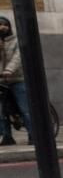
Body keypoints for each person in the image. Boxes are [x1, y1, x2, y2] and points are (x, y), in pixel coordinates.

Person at [0, 15, 32, 147]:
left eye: (5, 24)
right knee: (2, 111)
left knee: (24, 109)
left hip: (17, 79)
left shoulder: (16, 41)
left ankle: (33, 135)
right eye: (0, 24)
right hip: (2, 81)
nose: (2, 27)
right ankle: (7, 137)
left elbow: (18, 58)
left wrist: (9, 70)